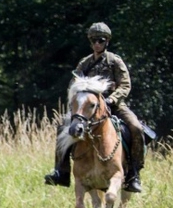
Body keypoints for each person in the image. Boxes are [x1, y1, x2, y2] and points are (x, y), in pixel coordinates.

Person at [44, 22, 144, 192]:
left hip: (114, 105)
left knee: (136, 127)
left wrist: (112, 99)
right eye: (93, 41)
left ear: (107, 42)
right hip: (87, 108)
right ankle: (61, 171)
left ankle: (133, 174)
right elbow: (74, 85)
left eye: (100, 40)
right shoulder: (84, 63)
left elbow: (125, 85)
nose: (97, 43)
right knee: (63, 126)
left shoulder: (115, 61)